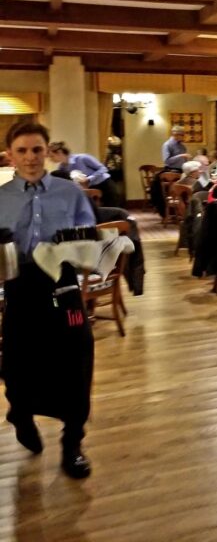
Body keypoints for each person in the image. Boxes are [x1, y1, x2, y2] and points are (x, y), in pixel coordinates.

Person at [0, 121, 97, 479]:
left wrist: (76, 244)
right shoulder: (1, 197)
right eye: (22, 151)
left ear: (48, 152)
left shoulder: (69, 192)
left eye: (37, 150)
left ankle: (73, 442)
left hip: (64, 289)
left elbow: (88, 240)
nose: (30, 158)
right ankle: (21, 416)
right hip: (19, 288)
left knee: (77, 359)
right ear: (10, 155)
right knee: (16, 362)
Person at [47, 141, 114, 207]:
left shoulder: (82, 158)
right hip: (90, 189)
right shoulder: (61, 168)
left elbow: (103, 168)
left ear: (59, 152)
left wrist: (89, 179)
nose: (51, 159)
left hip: (104, 185)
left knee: (111, 209)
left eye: (52, 156)